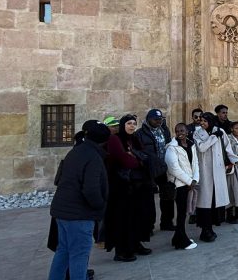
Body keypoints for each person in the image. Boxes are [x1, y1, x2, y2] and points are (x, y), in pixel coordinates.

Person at [47, 122, 110, 280]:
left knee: (64, 251)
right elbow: (91, 189)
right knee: (79, 255)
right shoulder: (93, 157)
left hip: (62, 211)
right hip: (79, 215)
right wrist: (100, 206)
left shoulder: (76, 151)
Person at [104, 114, 153, 262]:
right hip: (121, 186)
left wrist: (135, 157)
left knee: (137, 216)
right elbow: (124, 160)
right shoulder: (116, 139)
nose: (132, 126)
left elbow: (145, 157)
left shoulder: (135, 139)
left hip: (137, 185)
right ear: (123, 125)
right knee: (122, 219)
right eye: (129, 123)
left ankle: (135, 244)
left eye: (134, 123)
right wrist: (135, 159)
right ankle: (121, 251)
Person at [193, 112, 233, 242]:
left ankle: (211, 228)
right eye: (201, 121)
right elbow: (202, 148)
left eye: (205, 121)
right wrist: (212, 138)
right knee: (205, 201)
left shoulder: (220, 131)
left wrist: (234, 160)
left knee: (215, 200)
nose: (202, 123)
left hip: (218, 170)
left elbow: (228, 148)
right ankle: (205, 230)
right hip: (205, 171)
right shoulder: (197, 133)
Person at [135, 108, 174, 232]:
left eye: (160, 119)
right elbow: (139, 151)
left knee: (167, 196)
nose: (159, 121)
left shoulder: (164, 130)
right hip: (149, 169)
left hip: (163, 168)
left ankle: (167, 222)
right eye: (156, 119)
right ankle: (148, 226)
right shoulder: (140, 134)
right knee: (148, 200)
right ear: (148, 120)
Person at [165, 123, 198, 249]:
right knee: (181, 213)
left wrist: (195, 179)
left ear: (187, 131)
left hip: (189, 183)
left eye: (182, 130)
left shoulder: (191, 145)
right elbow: (173, 168)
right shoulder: (171, 148)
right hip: (179, 185)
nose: (180, 133)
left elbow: (195, 163)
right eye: (177, 130)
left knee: (183, 212)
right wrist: (189, 181)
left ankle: (178, 237)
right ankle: (181, 241)